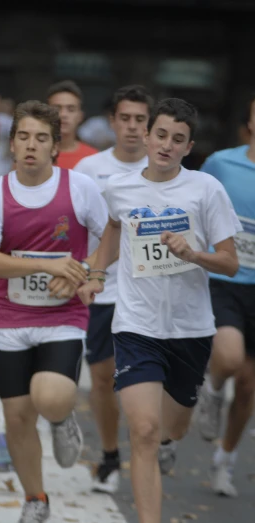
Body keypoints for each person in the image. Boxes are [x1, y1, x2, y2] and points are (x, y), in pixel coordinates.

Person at [77, 98, 240, 523]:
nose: (167, 145)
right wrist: (95, 274)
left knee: (173, 429)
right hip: (136, 325)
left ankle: (177, 433)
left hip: (190, 328)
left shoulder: (206, 190)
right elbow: (114, 228)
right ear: (148, 136)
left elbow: (230, 261)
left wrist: (195, 253)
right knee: (145, 431)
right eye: (161, 135)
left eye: (178, 139)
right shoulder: (119, 187)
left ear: (189, 148)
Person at [0, 100, 108, 523]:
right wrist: (46, 264)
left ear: (55, 147)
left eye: (42, 138)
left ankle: (61, 417)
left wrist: (88, 273)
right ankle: (36, 499)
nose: (31, 145)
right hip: (9, 317)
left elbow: (111, 237)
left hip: (62, 317)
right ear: (12, 145)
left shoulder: (79, 188)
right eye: (24, 136)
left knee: (49, 397)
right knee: (16, 416)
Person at [72, 84, 153, 494]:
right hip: (102, 289)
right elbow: (77, 228)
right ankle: (109, 455)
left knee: (144, 381)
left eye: (141, 119)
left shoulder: (163, 169)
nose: (133, 127)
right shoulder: (89, 169)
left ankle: (153, 443)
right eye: (126, 118)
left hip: (149, 293)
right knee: (103, 378)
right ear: (112, 122)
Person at [194, 92, 255, 498]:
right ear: (250, 120)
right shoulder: (221, 163)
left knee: (250, 386)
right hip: (227, 282)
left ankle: (225, 460)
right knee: (230, 357)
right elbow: (196, 207)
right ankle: (213, 389)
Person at [47, 80, 97, 169]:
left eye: (71, 109)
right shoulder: (33, 155)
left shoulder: (93, 157)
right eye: (57, 108)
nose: (63, 114)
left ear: (80, 116)